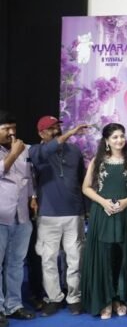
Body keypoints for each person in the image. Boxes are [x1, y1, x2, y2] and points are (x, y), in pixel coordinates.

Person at [28, 117, 89, 316]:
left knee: (75, 258)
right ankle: (54, 298)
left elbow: (82, 180)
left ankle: (74, 297)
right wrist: (70, 133)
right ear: (41, 133)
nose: (56, 131)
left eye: (58, 128)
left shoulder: (74, 151)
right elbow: (47, 151)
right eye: (51, 129)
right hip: (48, 215)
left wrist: (85, 209)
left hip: (74, 213)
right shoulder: (36, 151)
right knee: (48, 260)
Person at [80, 123, 127, 319]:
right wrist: (104, 202)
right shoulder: (98, 161)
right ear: (106, 140)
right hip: (103, 213)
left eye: (122, 136)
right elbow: (86, 188)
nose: (119, 140)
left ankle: (119, 299)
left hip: (126, 212)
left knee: (123, 256)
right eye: (114, 137)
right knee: (104, 257)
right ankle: (104, 300)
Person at [0, 110, 36, 324]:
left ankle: (13, 305)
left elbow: (29, 177)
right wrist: (13, 153)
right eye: (6, 129)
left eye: (13, 128)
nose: (11, 133)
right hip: (1, 216)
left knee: (15, 263)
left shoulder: (24, 149)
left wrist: (34, 196)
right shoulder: (17, 149)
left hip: (21, 216)